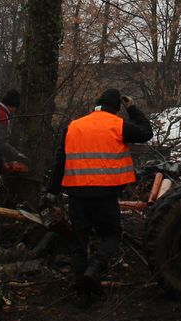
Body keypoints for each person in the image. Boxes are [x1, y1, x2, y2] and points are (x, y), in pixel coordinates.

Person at [46, 88, 153, 307]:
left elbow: (60, 161)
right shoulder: (117, 125)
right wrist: (132, 108)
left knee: (79, 243)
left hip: (76, 194)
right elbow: (146, 132)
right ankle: (95, 268)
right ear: (116, 108)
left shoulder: (74, 126)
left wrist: (52, 191)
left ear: (97, 104)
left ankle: (82, 295)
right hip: (105, 194)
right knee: (112, 234)